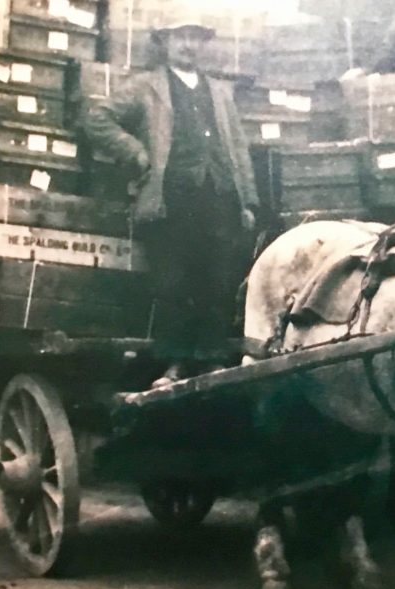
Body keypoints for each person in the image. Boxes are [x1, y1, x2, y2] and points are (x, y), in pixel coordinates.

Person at [83, 16, 260, 387]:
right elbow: (98, 119)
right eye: (180, 38)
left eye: (195, 38)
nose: (188, 46)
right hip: (171, 200)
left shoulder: (219, 92)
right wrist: (135, 151)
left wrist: (247, 201)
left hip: (219, 198)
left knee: (218, 280)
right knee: (173, 283)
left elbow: (239, 149)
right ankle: (174, 364)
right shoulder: (147, 88)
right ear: (164, 43)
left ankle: (212, 361)